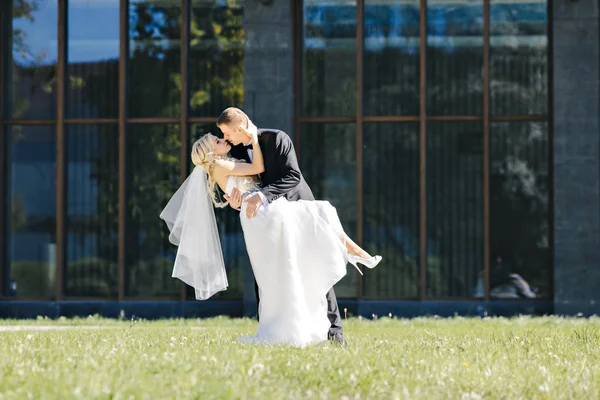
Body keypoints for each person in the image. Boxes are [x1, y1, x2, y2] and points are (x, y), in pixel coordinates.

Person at [160, 114, 381, 347]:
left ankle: (315, 325)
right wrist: (242, 197)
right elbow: (256, 170)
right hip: (264, 216)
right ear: (211, 152)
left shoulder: (275, 140)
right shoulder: (223, 162)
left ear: (241, 126)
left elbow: (285, 177)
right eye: (219, 139)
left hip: (271, 209)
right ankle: (351, 252)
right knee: (318, 219)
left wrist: (242, 198)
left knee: (303, 252)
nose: (224, 139)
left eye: (225, 134)